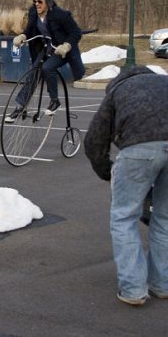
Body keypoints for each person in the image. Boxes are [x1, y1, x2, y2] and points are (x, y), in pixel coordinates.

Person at [84, 65, 168, 306]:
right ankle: (162, 284)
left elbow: (94, 139)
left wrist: (106, 172)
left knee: (124, 218)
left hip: (138, 149)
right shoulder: (165, 83)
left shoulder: (118, 90)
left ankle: (133, 289)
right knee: (164, 219)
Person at [5, 0, 85, 122]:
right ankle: (20, 107)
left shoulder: (60, 15)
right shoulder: (33, 13)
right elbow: (30, 29)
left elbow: (76, 32)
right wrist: (23, 36)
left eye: (39, 2)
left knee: (47, 68)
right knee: (33, 73)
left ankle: (55, 101)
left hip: (62, 50)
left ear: (47, 1)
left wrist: (66, 45)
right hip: (46, 48)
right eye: (35, 1)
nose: (36, 4)